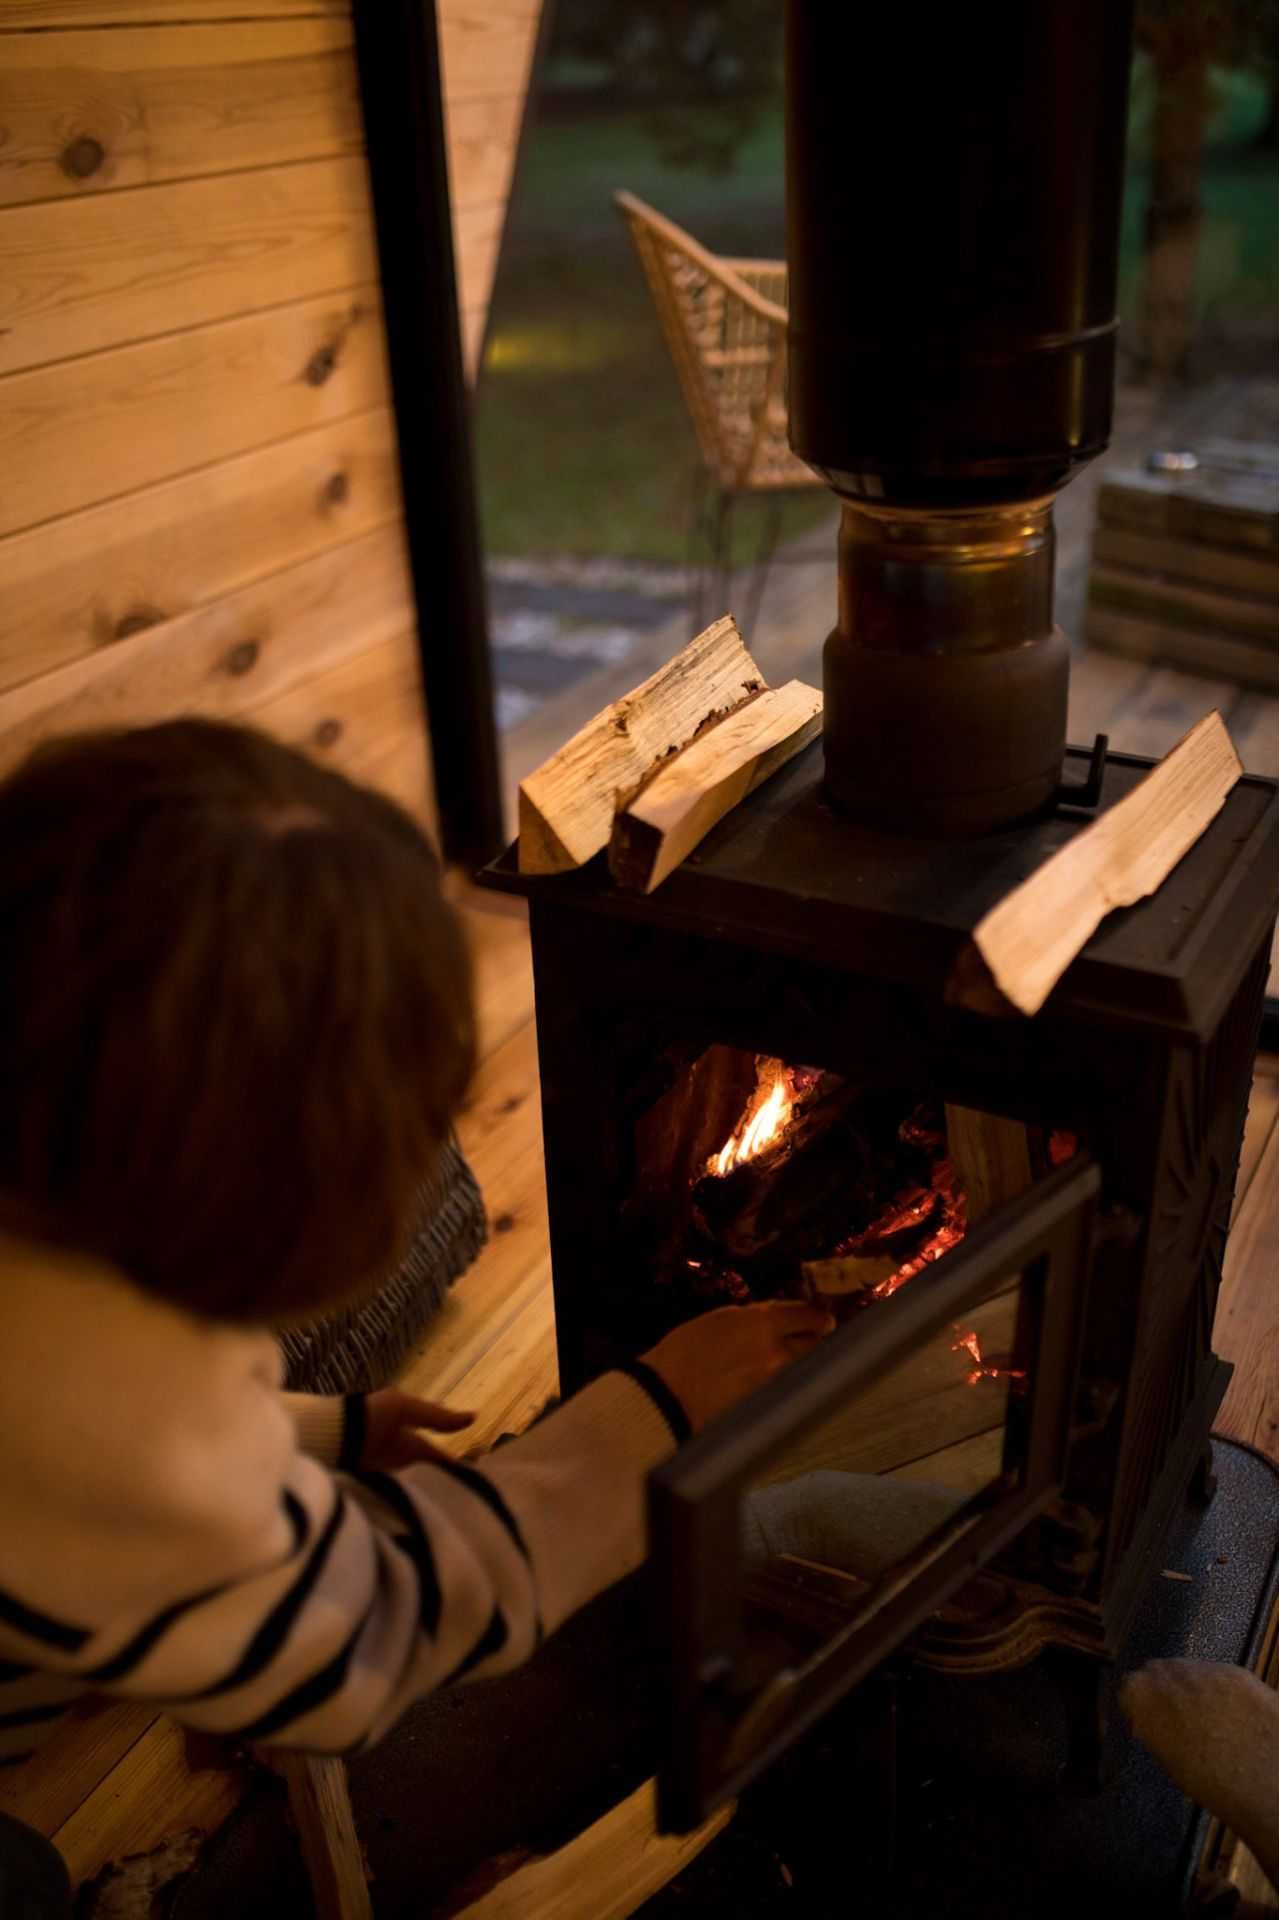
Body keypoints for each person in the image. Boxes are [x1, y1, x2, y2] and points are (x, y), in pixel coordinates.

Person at [0, 718, 832, 1779]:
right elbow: (360, 1632)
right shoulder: (87, 1414)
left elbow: (154, 1413)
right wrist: (656, 1415)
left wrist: (316, 1436)